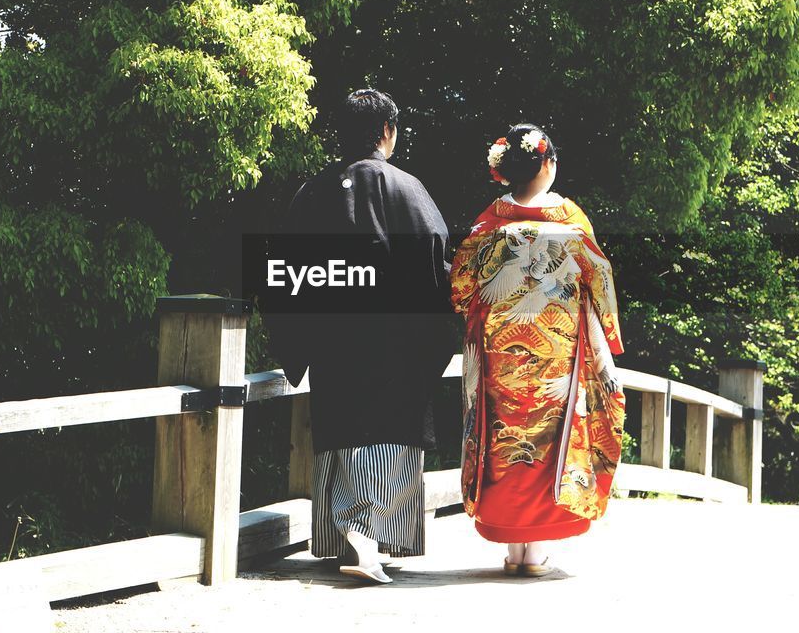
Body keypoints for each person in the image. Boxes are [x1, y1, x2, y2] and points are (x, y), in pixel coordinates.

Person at [265, 89, 453, 584]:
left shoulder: (313, 192)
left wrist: (301, 339)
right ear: (387, 132)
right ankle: (365, 545)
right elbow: (437, 269)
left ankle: (347, 539)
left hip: (334, 346)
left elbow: (284, 275)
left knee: (342, 440)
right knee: (389, 444)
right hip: (398, 348)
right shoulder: (409, 190)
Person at [450, 124, 626, 576]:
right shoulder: (570, 219)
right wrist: (608, 331)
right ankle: (536, 548)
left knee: (503, 442)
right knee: (550, 439)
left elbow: (461, 284)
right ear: (547, 164)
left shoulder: (489, 222)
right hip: (557, 355)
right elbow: (599, 275)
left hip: (500, 357)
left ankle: (512, 547)